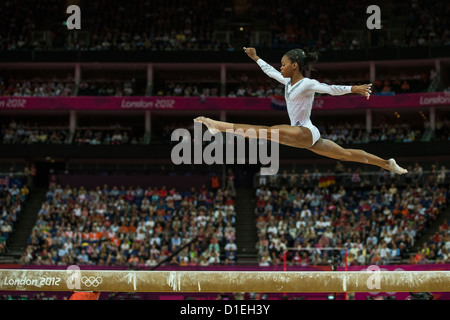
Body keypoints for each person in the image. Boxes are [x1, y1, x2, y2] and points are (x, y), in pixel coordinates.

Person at [194, 47, 407, 175]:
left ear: (294, 65)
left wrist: (354, 89)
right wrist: (255, 58)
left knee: (267, 132)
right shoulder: (287, 81)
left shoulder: (306, 84)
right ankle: (387, 163)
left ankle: (217, 126)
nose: (281, 67)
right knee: (345, 155)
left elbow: (330, 89)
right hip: (307, 134)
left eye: (284, 64)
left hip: (304, 131)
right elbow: (270, 72)